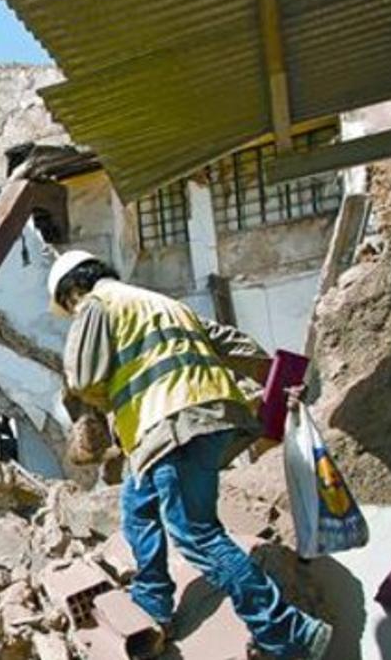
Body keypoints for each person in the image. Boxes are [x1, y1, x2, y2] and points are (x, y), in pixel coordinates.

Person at [49, 249, 332, 659]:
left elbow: (83, 376)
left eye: (69, 303)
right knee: (137, 506)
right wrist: (276, 377)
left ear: (75, 289)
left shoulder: (96, 304)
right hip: (204, 418)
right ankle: (153, 603)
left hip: (169, 422)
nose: (73, 310)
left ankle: (288, 631)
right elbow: (233, 344)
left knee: (195, 533)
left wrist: (94, 413)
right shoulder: (161, 303)